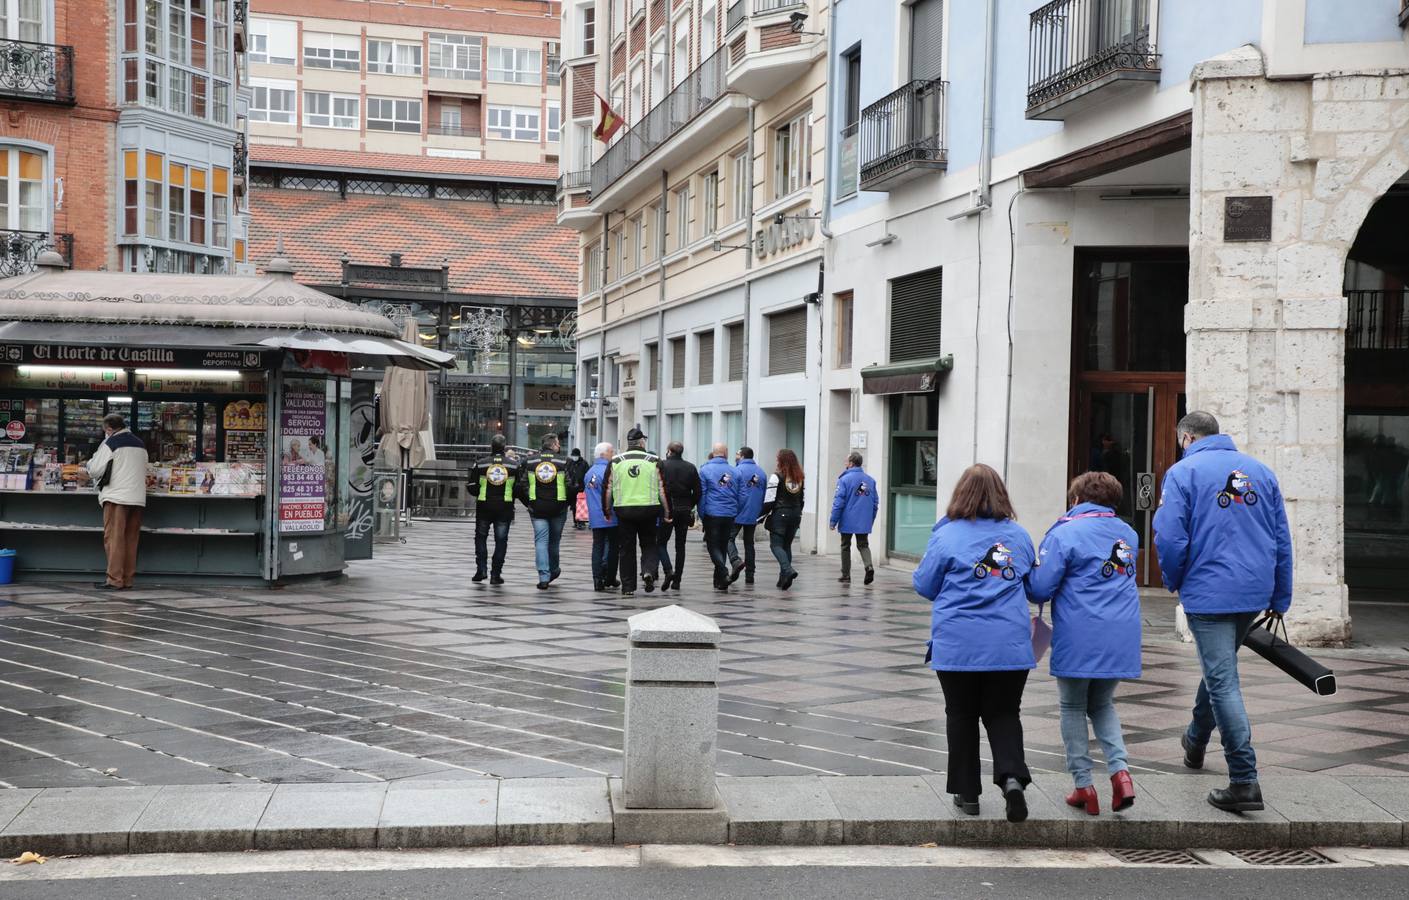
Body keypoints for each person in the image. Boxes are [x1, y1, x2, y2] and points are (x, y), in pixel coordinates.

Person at [1153, 411, 1292, 813]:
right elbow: (1281, 538)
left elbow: (1171, 536)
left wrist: (1173, 580)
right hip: (1252, 592)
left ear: (1186, 438)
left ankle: (1244, 780)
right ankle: (1195, 740)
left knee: (1223, 682)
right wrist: (1280, 595)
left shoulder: (1184, 473)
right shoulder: (1261, 473)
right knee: (1220, 671)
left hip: (1210, 591)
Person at [913, 463, 1036, 823]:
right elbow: (1035, 585)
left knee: (961, 714)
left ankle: (968, 794)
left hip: (957, 645)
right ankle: (1012, 778)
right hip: (1009, 646)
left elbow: (924, 585)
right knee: (1004, 713)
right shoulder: (1018, 535)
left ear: (960, 494)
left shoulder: (947, 535)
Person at [1026, 471, 1141, 816]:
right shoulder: (1129, 534)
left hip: (1080, 631)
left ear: (1076, 500)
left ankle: (1083, 785)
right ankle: (1121, 774)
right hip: (1122, 632)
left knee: (1073, 707)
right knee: (1103, 704)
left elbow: (1040, 588)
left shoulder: (1065, 533)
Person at [80, 414, 149, 590]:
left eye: (105, 431)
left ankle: (114, 579)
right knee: (131, 539)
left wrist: (87, 465)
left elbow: (95, 469)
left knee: (114, 539)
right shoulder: (140, 444)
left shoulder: (111, 443)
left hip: (117, 497)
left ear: (109, 429)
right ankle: (127, 579)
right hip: (138, 498)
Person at [603, 427, 671, 597]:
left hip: (624, 510)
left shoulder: (616, 461)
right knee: (649, 544)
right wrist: (668, 513)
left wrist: (607, 509)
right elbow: (663, 489)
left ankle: (628, 587)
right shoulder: (654, 460)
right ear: (642, 442)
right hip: (649, 509)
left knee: (626, 548)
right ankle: (648, 571)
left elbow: (607, 489)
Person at [516, 433, 575, 590]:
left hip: (537, 508)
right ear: (554, 445)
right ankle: (553, 570)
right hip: (558, 508)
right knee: (554, 541)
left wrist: (530, 502)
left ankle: (543, 576)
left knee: (541, 541)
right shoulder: (564, 461)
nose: (559, 446)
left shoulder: (530, 461)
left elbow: (522, 485)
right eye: (558, 443)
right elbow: (571, 485)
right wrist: (566, 503)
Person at [469, 434, 519, 585]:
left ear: (491, 446)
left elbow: (471, 486)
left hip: (484, 506)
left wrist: (480, 493)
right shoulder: (513, 465)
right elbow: (518, 488)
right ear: (504, 447)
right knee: (501, 541)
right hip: (504, 507)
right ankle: (496, 574)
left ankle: (481, 570)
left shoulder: (481, 464)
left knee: (481, 537)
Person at [831, 452, 879, 584]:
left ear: (851, 463)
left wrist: (833, 520)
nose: (845, 463)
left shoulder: (844, 480)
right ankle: (869, 566)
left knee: (845, 545)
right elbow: (875, 503)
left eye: (846, 461)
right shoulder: (870, 480)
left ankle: (846, 574)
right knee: (863, 544)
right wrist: (871, 519)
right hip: (863, 520)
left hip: (847, 519)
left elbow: (839, 502)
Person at [698, 443, 741, 592]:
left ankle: (723, 571)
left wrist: (701, 514)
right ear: (726, 453)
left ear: (713, 453)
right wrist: (736, 511)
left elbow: (702, 495)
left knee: (712, 546)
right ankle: (720, 581)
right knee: (722, 545)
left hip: (712, 513)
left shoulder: (704, 470)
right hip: (729, 514)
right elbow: (740, 495)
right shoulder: (735, 472)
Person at [658, 441, 700, 592]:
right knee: (680, 546)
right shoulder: (690, 467)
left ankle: (668, 570)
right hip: (684, 509)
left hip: (667, 509)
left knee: (660, 542)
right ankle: (677, 581)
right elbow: (698, 492)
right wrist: (690, 505)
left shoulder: (661, 465)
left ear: (669, 451)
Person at [761, 448, 805, 590]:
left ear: (781, 460)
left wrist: (760, 515)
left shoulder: (776, 476)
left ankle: (787, 570)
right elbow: (802, 499)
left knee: (776, 545)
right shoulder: (799, 477)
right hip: (796, 514)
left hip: (781, 514)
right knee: (787, 546)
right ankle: (783, 579)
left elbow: (769, 500)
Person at [728, 447, 767, 585]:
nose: (736, 456)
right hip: (753, 514)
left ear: (742, 456)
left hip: (737, 512)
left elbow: (730, 490)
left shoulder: (736, 471)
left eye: (737, 454)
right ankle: (750, 575)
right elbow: (763, 495)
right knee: (749, 543)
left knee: (728, 538)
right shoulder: (761, 472)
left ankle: (735, 560)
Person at [583, 442, 619, 592]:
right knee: (612, 547)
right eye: (611, 452)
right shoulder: (612, 471)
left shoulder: (590, 472)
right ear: (604, 454)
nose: (613, 454)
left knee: (597, 547)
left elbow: (590, 490)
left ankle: (597, 579)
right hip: (611, 516)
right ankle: (609, 577)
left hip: (595, 517)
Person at [567, 448, 590, 530]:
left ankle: (581, 522)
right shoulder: (570, 463)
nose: (574, 457)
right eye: (573, 455)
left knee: (581, 505)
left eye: (575, 455)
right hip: (572, 488)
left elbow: (587, 474)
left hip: (581, 488)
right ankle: (575, 521)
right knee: (573, 506)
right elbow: (568, 473)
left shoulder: (584, 463)